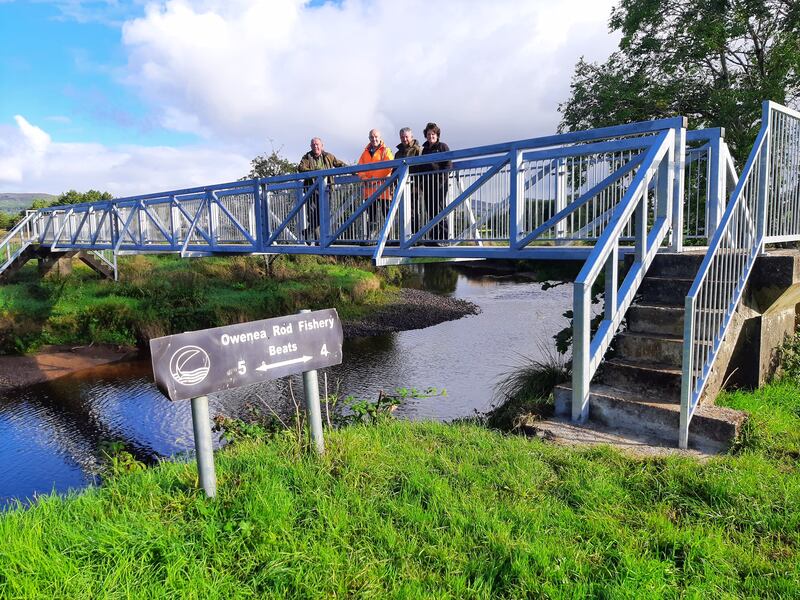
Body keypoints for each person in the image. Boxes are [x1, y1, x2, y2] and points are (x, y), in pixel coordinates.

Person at [297, 137, 346, 239]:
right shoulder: (307, 157)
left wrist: (351, 169)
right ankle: (319, 241)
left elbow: (339, 164)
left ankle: (309, 233)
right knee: (312, 216)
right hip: (311, 190)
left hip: (326, 190)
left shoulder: (328, 156)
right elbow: (301, 168)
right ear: (311, 146)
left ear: (322, 145)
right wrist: (315, 171)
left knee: (324, 214)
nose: (316, 146)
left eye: (317, 144)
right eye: (313, 145)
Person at [357, 129, 394, 235]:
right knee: (371, 215)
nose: (374, 139)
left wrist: (374, 179)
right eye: (372, 137)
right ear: (369, 138)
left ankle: (390, 238)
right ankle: (371, 237)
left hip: (384, 189)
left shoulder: (386, 150)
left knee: (387, 214)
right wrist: (365, 179)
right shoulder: (365, 153)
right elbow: (359, 168)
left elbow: (389, 167)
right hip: (369, 190)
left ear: (380, 137)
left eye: (376, 136)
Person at [420, 122, 452, 243]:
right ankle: (433, 239)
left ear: (437, 135)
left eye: (433, 134)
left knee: (439, 209)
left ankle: (443, 238)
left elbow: (448, 164)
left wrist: (442, 180)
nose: (431, 136)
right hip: (427, 184)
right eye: (428, 134)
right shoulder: (424, 150)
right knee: (430, 210)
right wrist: (422, 184)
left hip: (439, 184)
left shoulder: (443, 147)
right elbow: (421, 167)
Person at [395, 127, 423, 231]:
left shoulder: (418, 150)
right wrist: (394, 185)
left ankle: (415, 236)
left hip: (414, 186)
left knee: (414, 210)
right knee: (403, 211)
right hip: (401, 186)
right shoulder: (398, 153)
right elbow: (395, 170)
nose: (404, 139)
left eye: (406, 136)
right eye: (402, 137)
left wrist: (417, 185)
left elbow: (421, 168)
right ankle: (405, 237)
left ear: (411, 136)